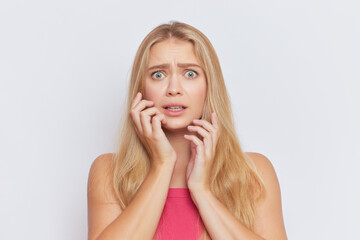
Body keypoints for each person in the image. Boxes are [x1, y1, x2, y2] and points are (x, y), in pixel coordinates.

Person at [87, 20, 287, 240]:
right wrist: (162, 165)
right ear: (141, 90)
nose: (174, 89)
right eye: (158, 74)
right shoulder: (110, 173)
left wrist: (202, 192)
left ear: (209, 87)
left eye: (190, 74)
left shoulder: (253, 172)